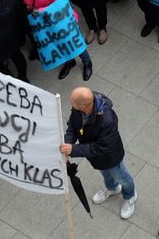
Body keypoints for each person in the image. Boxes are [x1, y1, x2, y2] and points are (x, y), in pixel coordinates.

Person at [61, 87, 137, 219]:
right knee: (106, 174)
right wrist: (69, 143)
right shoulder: (79, 108)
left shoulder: (107, 120)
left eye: (73, 104)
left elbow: (101, 147)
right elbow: (72, 126)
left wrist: (73, 150)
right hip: (97, 158)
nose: (71, 106)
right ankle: (112, 188)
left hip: (111, 157)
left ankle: (130, 196)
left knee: (121, 177)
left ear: (82, 106)